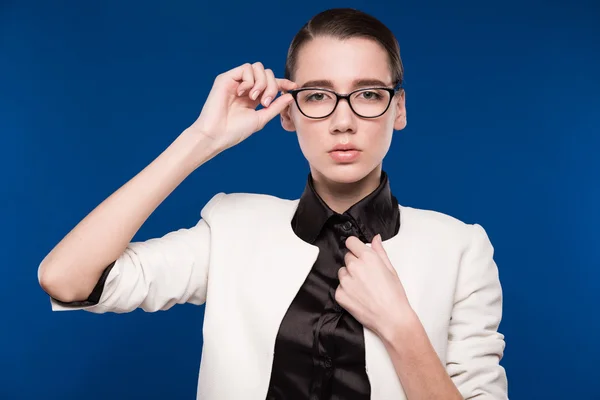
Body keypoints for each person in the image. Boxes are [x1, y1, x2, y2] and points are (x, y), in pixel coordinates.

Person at [37, 8, 508, 400]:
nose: (343, 121)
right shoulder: (232, 228)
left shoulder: (461, 248)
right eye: (318, 96)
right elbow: (66, 279)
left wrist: (401, 327)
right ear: (288, 112)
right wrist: (201, 140)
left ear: (398, 108)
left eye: (368, 94)